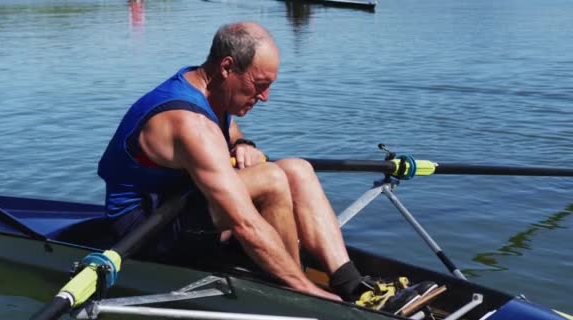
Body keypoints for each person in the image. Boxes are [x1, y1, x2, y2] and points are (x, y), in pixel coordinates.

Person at [97, 21, 425, 305]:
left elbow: (225, 126)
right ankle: (296, 292)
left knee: (297, 169)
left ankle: (351, 284)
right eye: (260, 85)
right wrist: (310, 293)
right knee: (271, 179)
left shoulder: (206, 85)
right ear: (227, 67)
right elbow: (244, 224)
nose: (265, 97)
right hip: (145, 233)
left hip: (181, 206)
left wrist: (241, 143)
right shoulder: (189, 125)